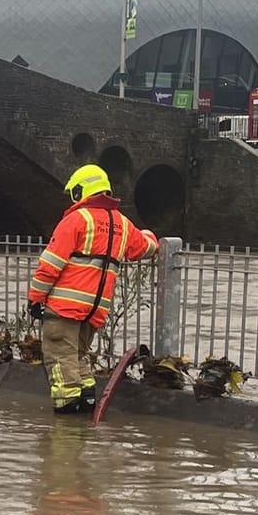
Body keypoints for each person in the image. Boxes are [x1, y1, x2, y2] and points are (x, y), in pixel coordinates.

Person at [27, 165, 159, 414]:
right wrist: (150, 235)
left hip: (64, 308)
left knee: (60, 359)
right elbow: (146, 248)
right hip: (95, 310)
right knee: (78, 357)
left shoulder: (76, 220)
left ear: (81, 190)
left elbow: (50, 266)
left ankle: (66, 428)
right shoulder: (122, 223)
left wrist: (35, 299)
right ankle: (87, 406)